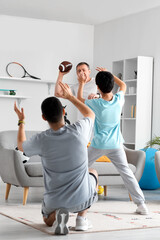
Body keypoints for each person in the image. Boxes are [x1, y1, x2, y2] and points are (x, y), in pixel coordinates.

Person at [14, 82, 98, 235]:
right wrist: (71, 97)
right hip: (82, 199)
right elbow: (90, 114)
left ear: (43, 117)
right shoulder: (79, 130)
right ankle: (81, 219)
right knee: (93, 172)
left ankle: (57, 215)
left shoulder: (42, 140)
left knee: (46, 220)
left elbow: (20, 145)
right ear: (63, 112)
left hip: (55, 201)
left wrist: (21, 121)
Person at [77, 67, 149, 215]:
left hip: (98, 145)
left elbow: (78, 99)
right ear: (111, 85)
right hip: (116, 145)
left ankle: (72, 198)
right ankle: (141, 205)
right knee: (127, 173)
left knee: (79, 167)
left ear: (97, 87)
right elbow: (123, 85)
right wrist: (111, 74)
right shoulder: (118, 100)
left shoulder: (96, 104)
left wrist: (82, 83)